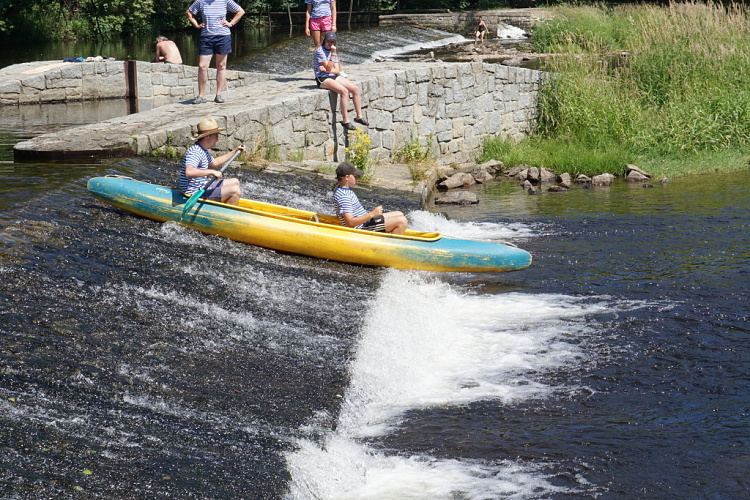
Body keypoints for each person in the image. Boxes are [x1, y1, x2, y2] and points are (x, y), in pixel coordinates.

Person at [186, 0, 245, 104]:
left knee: (221, 65)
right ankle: (201, 96)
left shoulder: (225, 1)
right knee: (202, 66)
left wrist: (231, 23)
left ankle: (218, 95)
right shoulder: (200, 1)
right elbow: (189, 13)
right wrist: (196, 25)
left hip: (223, 37)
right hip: (206, 37)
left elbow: (240, 11)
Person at [179, 116, 244, 205]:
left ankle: (226, 202)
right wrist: (212, 172)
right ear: (208, 136)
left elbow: (215, 163)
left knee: (235, 182)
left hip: (202, 187)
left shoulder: (203, 150)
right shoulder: (195, 151)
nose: (217, 139)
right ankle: (226, 212)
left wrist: (235, 151)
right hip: (194, 193)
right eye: (216, 135)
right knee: (235, 191)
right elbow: (189, 172)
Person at [313, 31, 368, 131]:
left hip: (333, 76)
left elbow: (337, 70)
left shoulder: (333, 51)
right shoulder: (320, 51)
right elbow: (329, 67)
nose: (330, 44)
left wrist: (328, 69)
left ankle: (359, 116)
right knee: (344, 91)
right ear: (324, 40)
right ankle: (345, 121)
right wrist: (332, 55)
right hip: (322, 78)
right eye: (329, 41)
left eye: (332, 41)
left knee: (355, 89)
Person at [333, 162, 408, 234]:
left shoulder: (343, 191)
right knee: (402, 221)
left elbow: (341, 214)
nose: (357, 178)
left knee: (399, 213)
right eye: (355, 176)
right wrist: (372, 214)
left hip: (365, 223)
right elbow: (350, 223)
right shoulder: (344, 196)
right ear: (347, 177)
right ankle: (389, 242)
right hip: (361, 227)